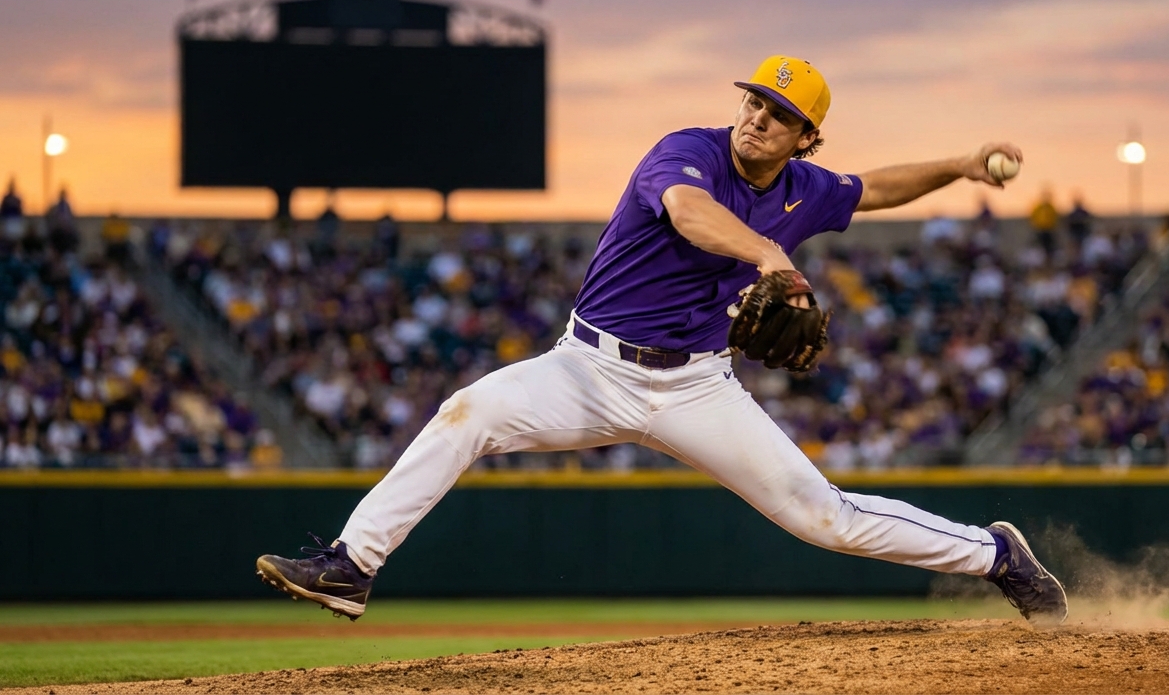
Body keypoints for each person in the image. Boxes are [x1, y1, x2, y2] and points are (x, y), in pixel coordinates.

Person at [255, 55, 1068, 626]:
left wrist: (962, 163)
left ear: (803, 140)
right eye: (755, 101)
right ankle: (352, 564)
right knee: (466, 413)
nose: (758, 118)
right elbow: (686, 214)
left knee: (824, 517)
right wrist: (766, 252)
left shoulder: (804, 191)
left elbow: (876, 187)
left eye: (780, 115)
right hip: (585, 367)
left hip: (696, 388)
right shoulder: (688, 152)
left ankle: (995, 555)